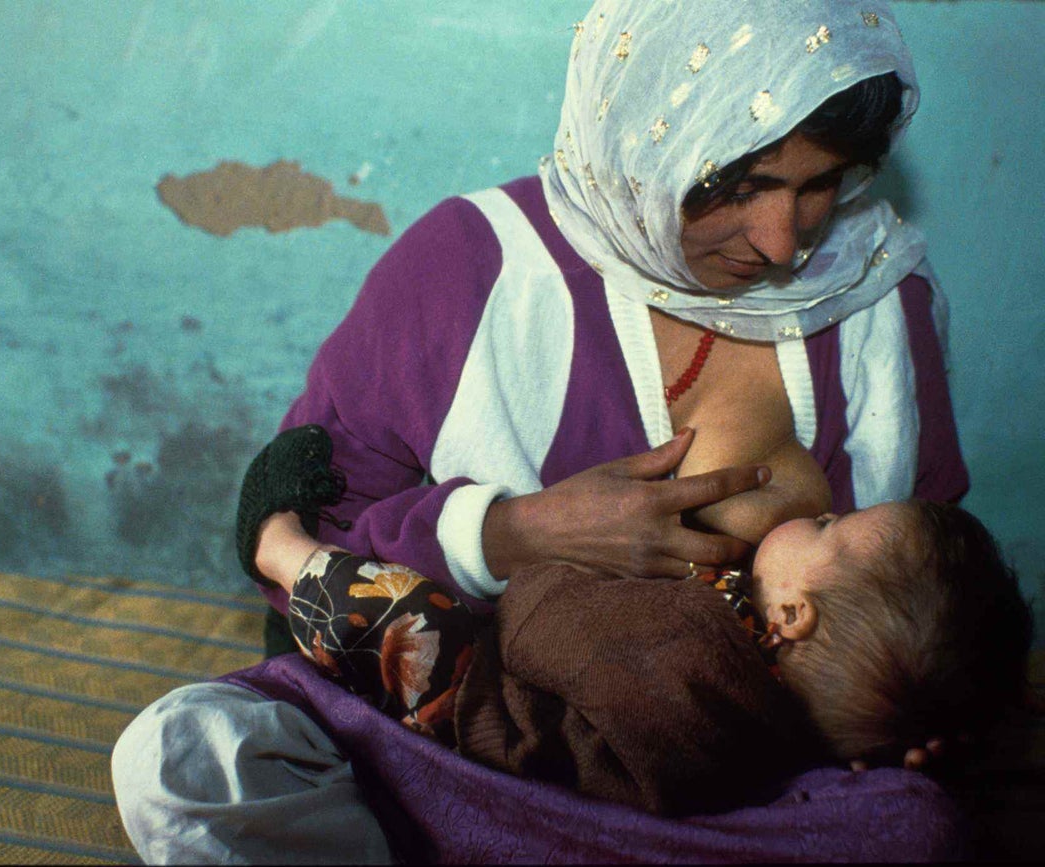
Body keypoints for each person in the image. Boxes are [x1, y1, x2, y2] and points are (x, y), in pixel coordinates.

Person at [112, 1, 976, 862]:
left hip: (742, 790)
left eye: (820, 183)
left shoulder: (876, 297)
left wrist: (908, 708)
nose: (783, 240)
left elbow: (922, 570)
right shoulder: (469, 267)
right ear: (647, 134)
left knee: (915, 827)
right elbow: (298, 539)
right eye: (742, 185)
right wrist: (513, 533)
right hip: (460, 750)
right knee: (187, 759)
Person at [230, 424, 1033, 819]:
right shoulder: (792, 732)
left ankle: (280, 545)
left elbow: (570, 634)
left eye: (829, 529)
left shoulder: (697, 655)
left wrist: (554, 573)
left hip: (484, 721)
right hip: (542, 724)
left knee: (410, 619)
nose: (822, 510)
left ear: (792, 613)